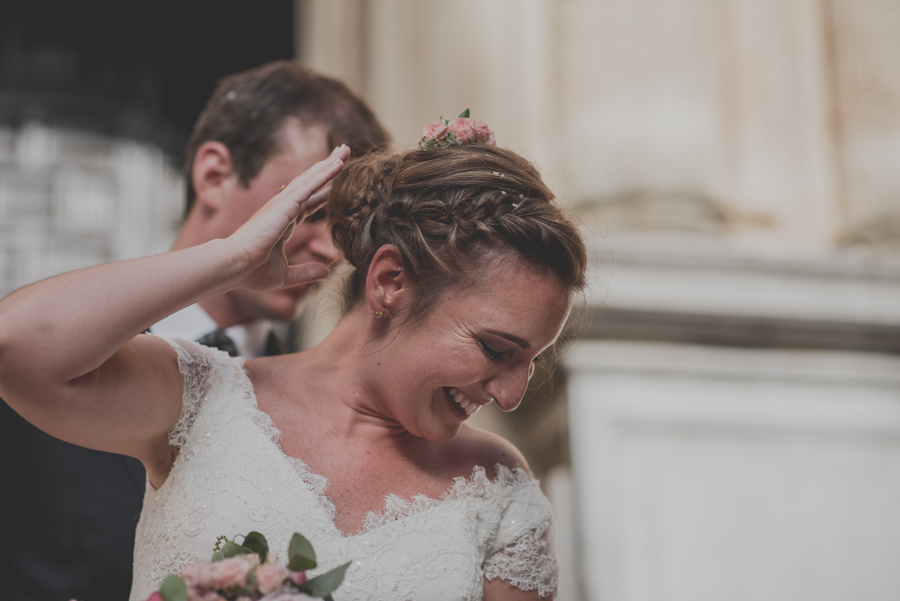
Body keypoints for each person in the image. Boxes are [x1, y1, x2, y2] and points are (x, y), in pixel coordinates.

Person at [0, 115, 587, 600]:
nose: (510, 394)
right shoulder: (206, 395)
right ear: (389, 281)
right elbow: (20, 347)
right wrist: (228, 259)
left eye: (531, 361)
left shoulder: (498, 487)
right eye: (495, 349)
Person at [0, 60, 389, 601]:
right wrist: (231, 258)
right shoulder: (63, 339)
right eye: (314, 210)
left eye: (346, 232)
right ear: (214, 175)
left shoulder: (320, 403)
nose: (332, 251)